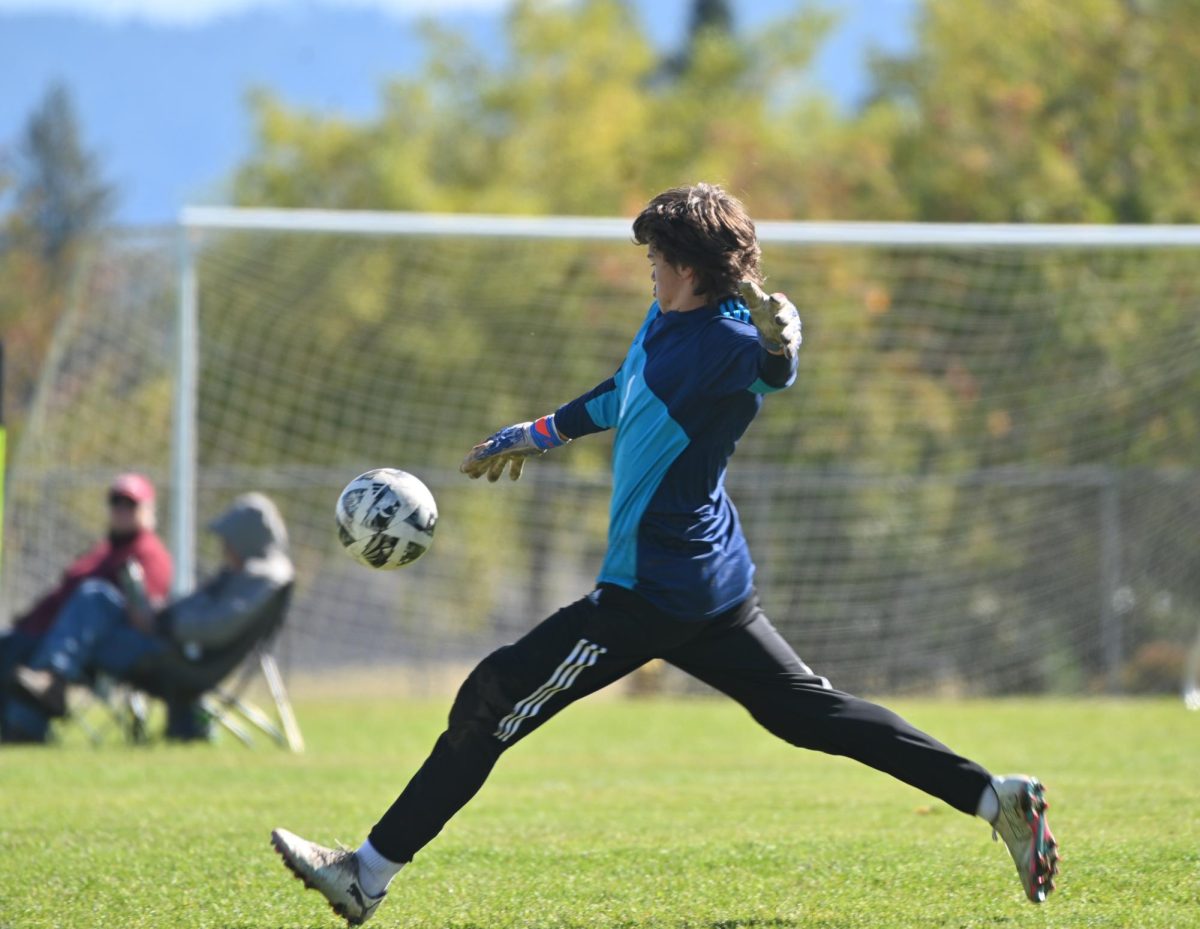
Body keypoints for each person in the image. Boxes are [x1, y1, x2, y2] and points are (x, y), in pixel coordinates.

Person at [270, 184, 1059, 925]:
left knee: (491, 696)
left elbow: (772, 365)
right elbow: (624, 391)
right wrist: (534, 434)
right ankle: (997, 798)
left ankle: (364, 873)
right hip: (713, 582)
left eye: (654, 253)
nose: (647, 264)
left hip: (653, 592)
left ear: (686, 265)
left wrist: (785, 341)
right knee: (809, 712)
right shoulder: (665, 323)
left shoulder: (727, 342)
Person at [11, 492, 293, 741]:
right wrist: (157, 614)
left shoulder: (262, 577)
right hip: (169, 644)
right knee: (93, 599)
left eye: (228, 540)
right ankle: (48, 685)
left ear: (246, 538)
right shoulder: (247, 575)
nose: (224, 549)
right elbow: (201, 616)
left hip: (175, 658)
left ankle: (34, 709)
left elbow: (216, 626)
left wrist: (162, 622)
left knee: (77, 618)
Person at [0, 472, 172, 743]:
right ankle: (13, 729)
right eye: (117, 502)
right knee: (7, 644)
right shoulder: (102, 551)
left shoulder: (149, 553)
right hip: (56, 638)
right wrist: (28, 621)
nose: (122, 510)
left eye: (131, 504)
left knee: (94, 596)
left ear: (149, 510)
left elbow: (144, 617)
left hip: (111, 644)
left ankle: (49, 685)